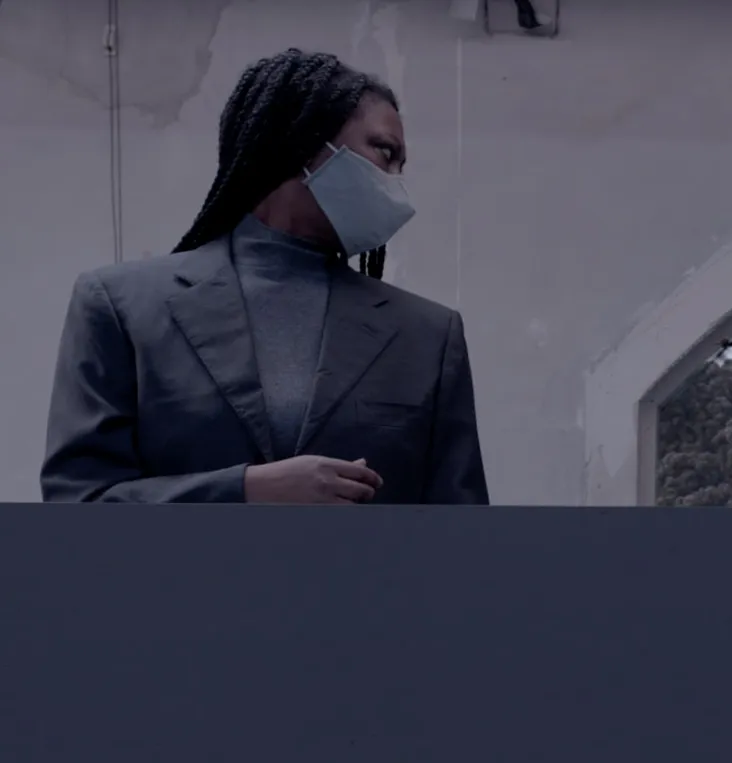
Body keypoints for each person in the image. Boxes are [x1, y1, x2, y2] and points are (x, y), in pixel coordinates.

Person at [41, 48, 488, 505]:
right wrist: (247, 490)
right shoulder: (121, 308)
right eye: (385, 153)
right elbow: (78, 502)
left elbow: (463, 535)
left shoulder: (428, 337)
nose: (398, 185)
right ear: (301, 140)